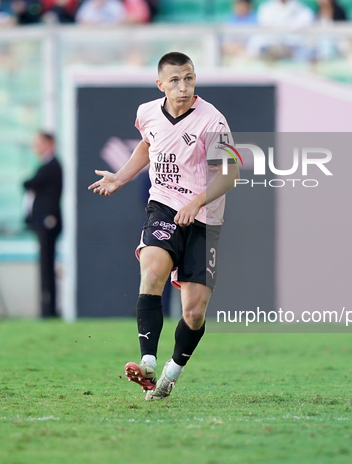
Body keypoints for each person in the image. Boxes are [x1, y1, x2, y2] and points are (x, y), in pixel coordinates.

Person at [88, 52, 239, 400]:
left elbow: (231, 174)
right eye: (175, 80)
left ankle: (170, 374)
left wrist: (197, 201)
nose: (183, 87)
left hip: (204, 218)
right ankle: (148, 363)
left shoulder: (212, 121)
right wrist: (121, 178)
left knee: (194, 311)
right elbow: (148, 144)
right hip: (165, 207)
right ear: (161, 85)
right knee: (152, 271)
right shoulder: (147, 113)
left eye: (188, 78)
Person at [23, 132, 63, 319]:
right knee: (45, 266)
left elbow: (30, 184)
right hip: (42, 223)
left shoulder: (52, 166)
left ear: (49, 143)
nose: (36, 147)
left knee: (47, 267)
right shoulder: (47, 166)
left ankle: (49, 310)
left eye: (39, 143)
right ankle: (47, 309)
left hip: (47, 224)